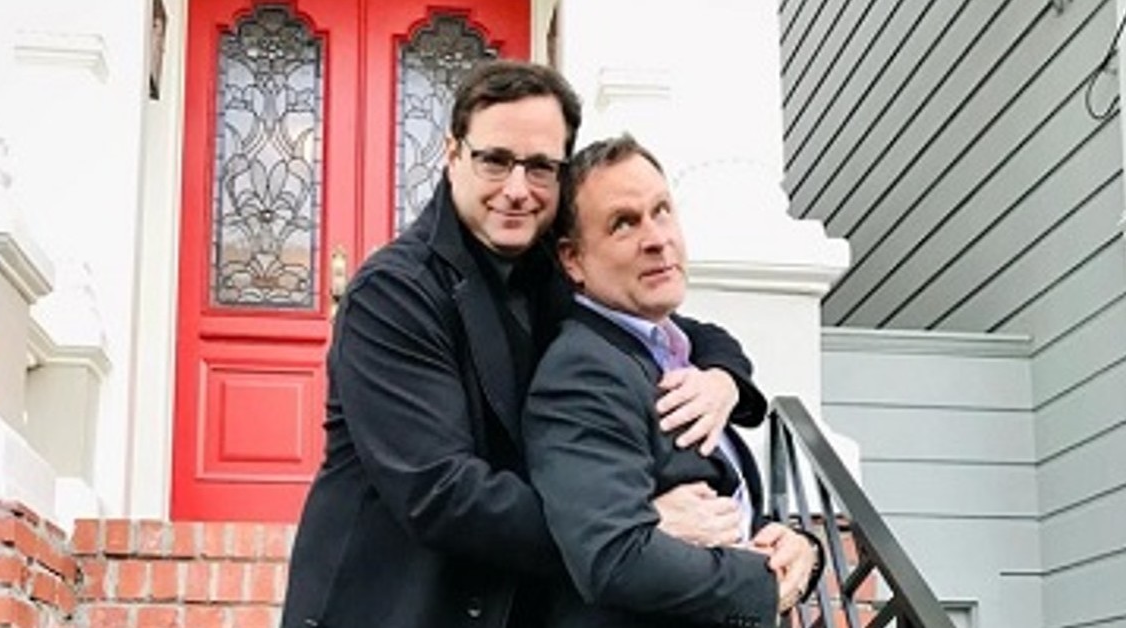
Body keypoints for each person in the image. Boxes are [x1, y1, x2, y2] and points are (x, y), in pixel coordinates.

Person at [280, 60, 768, 628]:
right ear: (452, 154)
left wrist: (722, 379)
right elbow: (440, 492)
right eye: (494, 160)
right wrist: (619, 527)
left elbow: (676, 329)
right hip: (390, 602)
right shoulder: (394, 293)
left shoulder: (553, 266)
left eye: (539, 167)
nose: (516, 190)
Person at [522, 134, 823, 628]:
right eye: (624, 223)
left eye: (662, 211)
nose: (657, 238)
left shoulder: (671, 348)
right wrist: (763, 583)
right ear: (573, 260)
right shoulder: (583, 372)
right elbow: (614, 557)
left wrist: (797, 548)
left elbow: (715, 508)